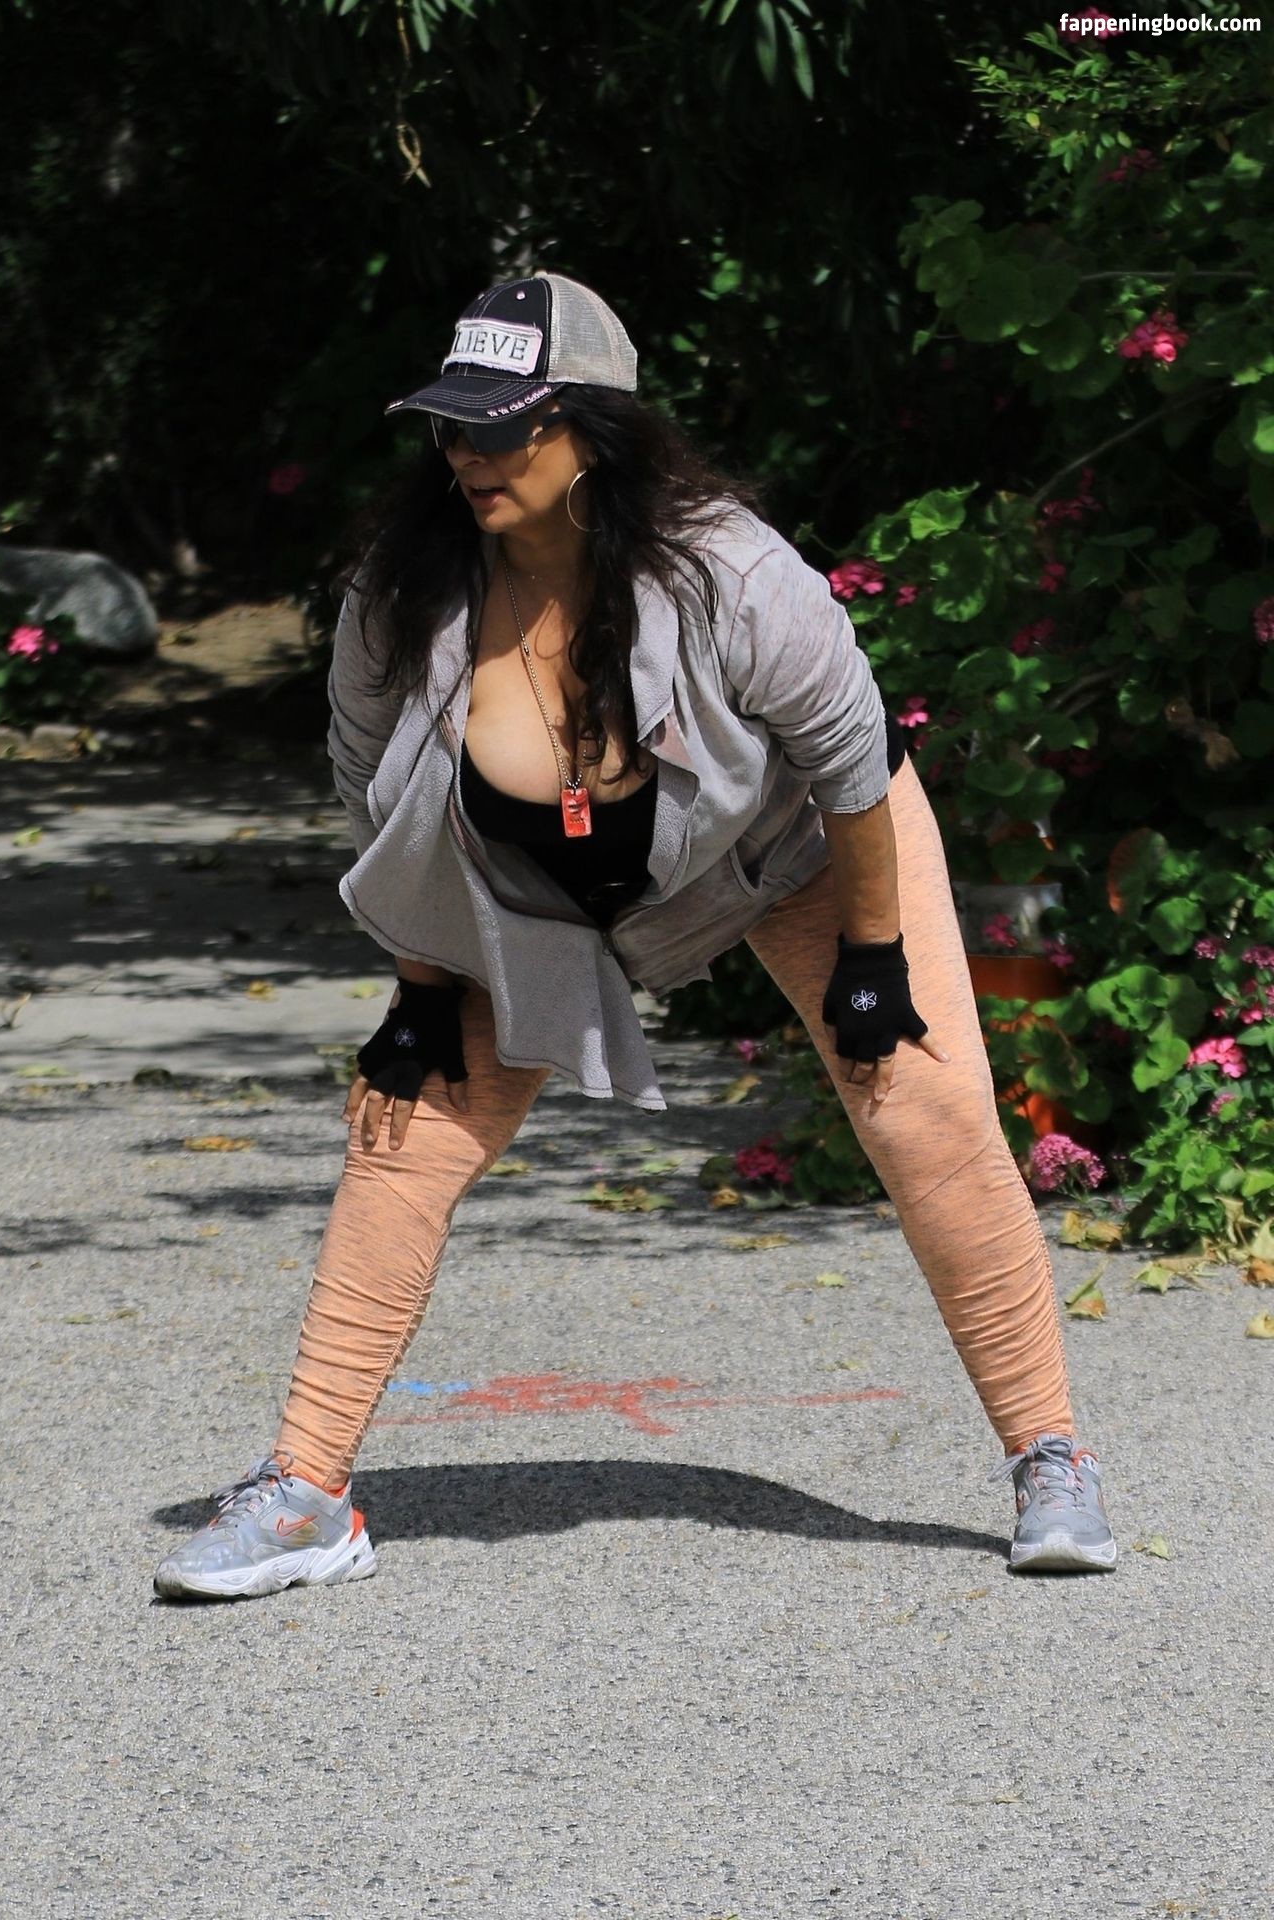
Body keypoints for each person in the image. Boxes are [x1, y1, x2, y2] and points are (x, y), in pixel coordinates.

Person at [153, 271, 1117, 1603]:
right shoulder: (405, 591)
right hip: (539, 888)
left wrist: (874, 961)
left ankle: (1052, 1458)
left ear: (594, 430)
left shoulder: (729, 572)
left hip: (792, 854)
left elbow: (853, 759)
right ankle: (305, 1496)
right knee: (402, 1130)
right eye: (452, 426)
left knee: (925, 1111)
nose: (469, 454)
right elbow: (380, 801)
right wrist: (421, 989)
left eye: (505, 427)